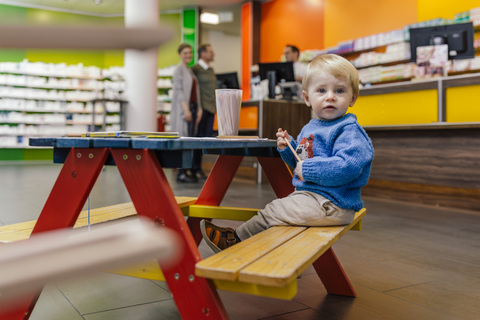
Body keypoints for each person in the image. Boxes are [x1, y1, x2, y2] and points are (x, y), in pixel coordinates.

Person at [201, 54, 374, 253]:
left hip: (333, 205)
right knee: (279, 212)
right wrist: (287, 147)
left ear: (353, 98)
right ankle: (265, 252)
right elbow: (300, 164)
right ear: (307, 98)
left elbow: (347, 167)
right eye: (321, 90)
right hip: (313, 198)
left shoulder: (349, 130)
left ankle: (235, 241)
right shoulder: (312, 127)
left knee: (274, 211)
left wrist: (307, 169)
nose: (330, 96)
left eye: (339, 90)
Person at [171, 43, 202, 183]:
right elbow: (178, 91)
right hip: (184, 109)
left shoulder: (189, 70)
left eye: (190, 52)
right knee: (183, 140)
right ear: (179, 54)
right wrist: (186, 109)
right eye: (185, 53)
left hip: (193, 107)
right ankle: (181, 174)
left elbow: (195, 91)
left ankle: (186, 170)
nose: (188, 55)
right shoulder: (178, 70)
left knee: (188, 140)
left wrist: (199, 108)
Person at [191, 44, 217, 180]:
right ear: (203, 53)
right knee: (197, 138)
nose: (213, 54)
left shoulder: (210, 69)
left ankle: (197, 167)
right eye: (210, 52)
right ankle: (193, 168)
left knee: (204, 139)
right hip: (202, 109)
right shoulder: (195, 69)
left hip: (211, 109)